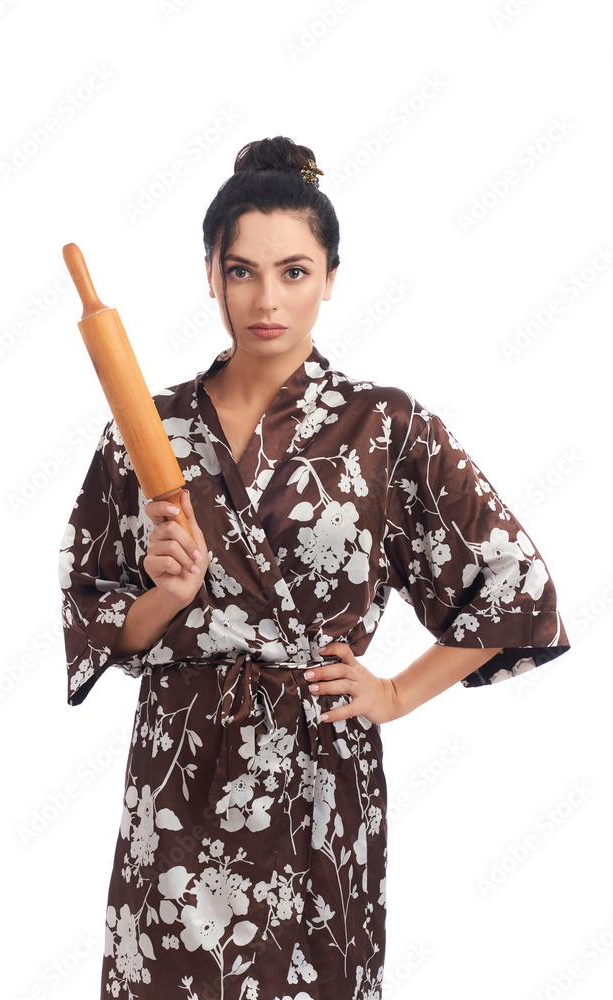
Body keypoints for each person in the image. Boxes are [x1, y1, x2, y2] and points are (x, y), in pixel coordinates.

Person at [59, 136, 571, 1000]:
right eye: (242, 272)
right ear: (210, 276)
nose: (266, 300)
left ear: (330, 276)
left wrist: (395, 693)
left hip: (318, 767)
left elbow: (514, 584)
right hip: (181, 766)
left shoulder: (386, 427)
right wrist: (166, 596)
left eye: (293, 272)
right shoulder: (145, 428)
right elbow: (95, 610)